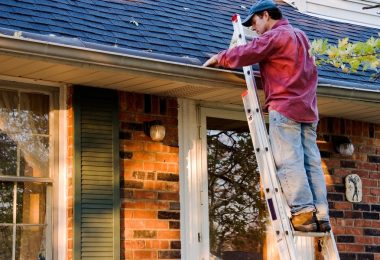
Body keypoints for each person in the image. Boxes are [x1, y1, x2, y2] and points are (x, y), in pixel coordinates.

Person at [203, 0, 331, 232]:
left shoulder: (276, 35)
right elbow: (309, 74)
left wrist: (221, 57)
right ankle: (321, 215)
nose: (252, 29)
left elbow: (249, 51)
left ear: (265, 15)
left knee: (288, 161)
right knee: (311, 161)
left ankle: (302, 213)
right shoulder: (301, 36)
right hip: (308, 110)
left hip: (285, 109)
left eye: (253, 22)